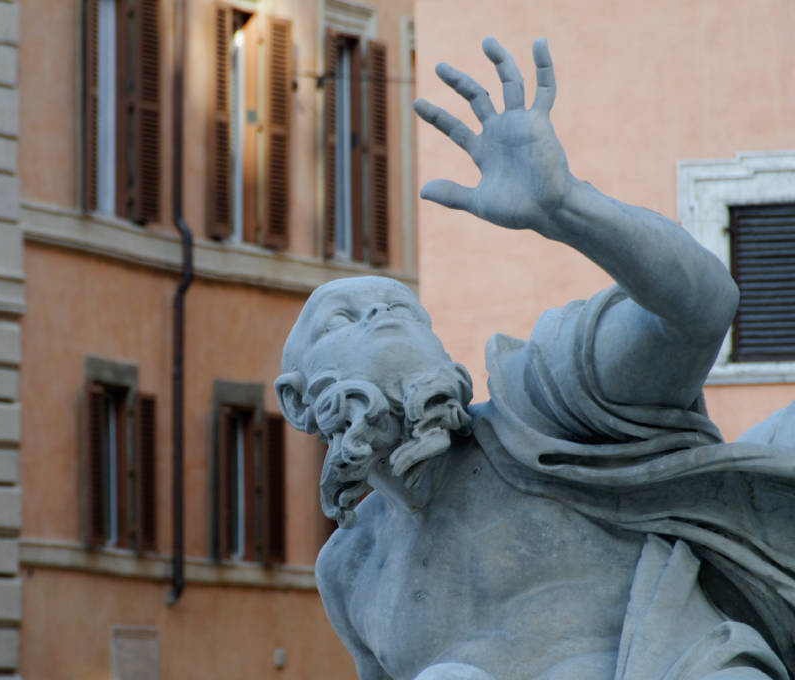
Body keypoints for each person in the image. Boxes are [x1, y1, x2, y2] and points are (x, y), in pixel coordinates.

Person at [274, 38, 795, 680]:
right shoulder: (351, 567)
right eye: (345, 319)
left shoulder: (543, 404)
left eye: (405, 309)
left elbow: (703, 308)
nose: (384, 314)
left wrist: (566, 206)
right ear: (298, 400)